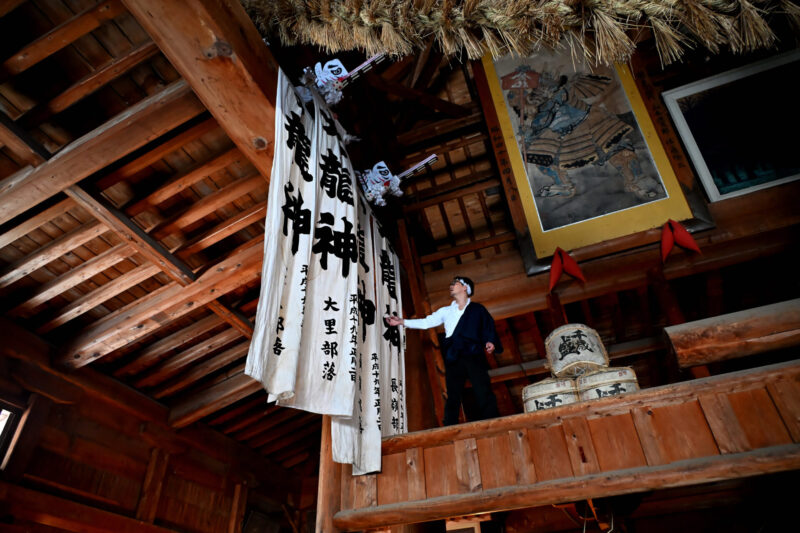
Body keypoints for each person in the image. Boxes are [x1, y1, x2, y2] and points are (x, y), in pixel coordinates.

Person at [386, 276, 503, 426]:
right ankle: (450, 425)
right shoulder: (446, 311)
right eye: (451, 283)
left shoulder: (478, 309)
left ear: (465, 288)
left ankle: (493, 421)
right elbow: (426, 322)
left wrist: (490, 341)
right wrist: (402, 322)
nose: (451, 285)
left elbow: (488, 327)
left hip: (473, 353)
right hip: (454, 355)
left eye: (456, 283)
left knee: (482, 388)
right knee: (453, 393)